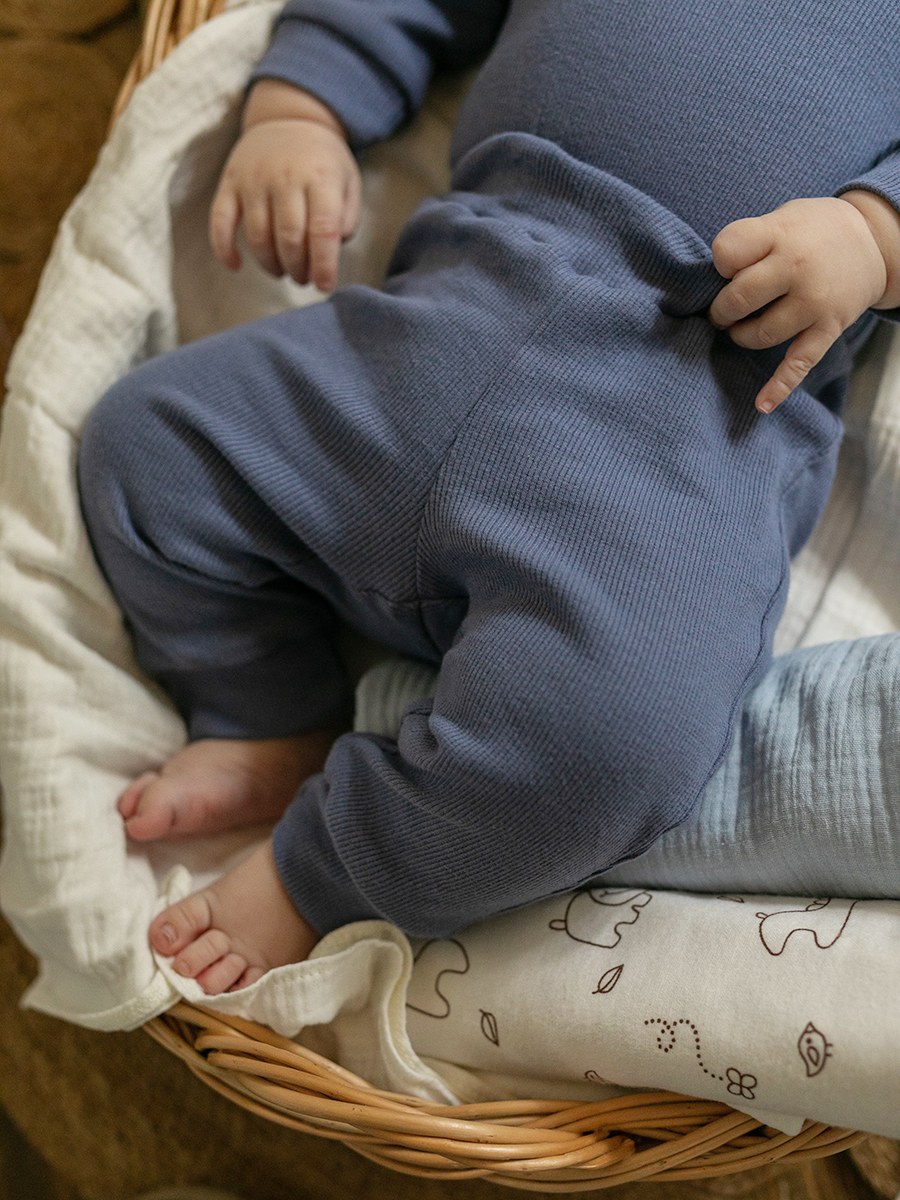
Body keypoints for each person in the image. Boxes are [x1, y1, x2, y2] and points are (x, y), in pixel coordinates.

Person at [78, 0, 900, 995]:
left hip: (679, 417)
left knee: (611, 744)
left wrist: (872, 233)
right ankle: (264, 711)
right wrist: (298, 107)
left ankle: (329, 871)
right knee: (145, 451)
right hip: (441, 318)